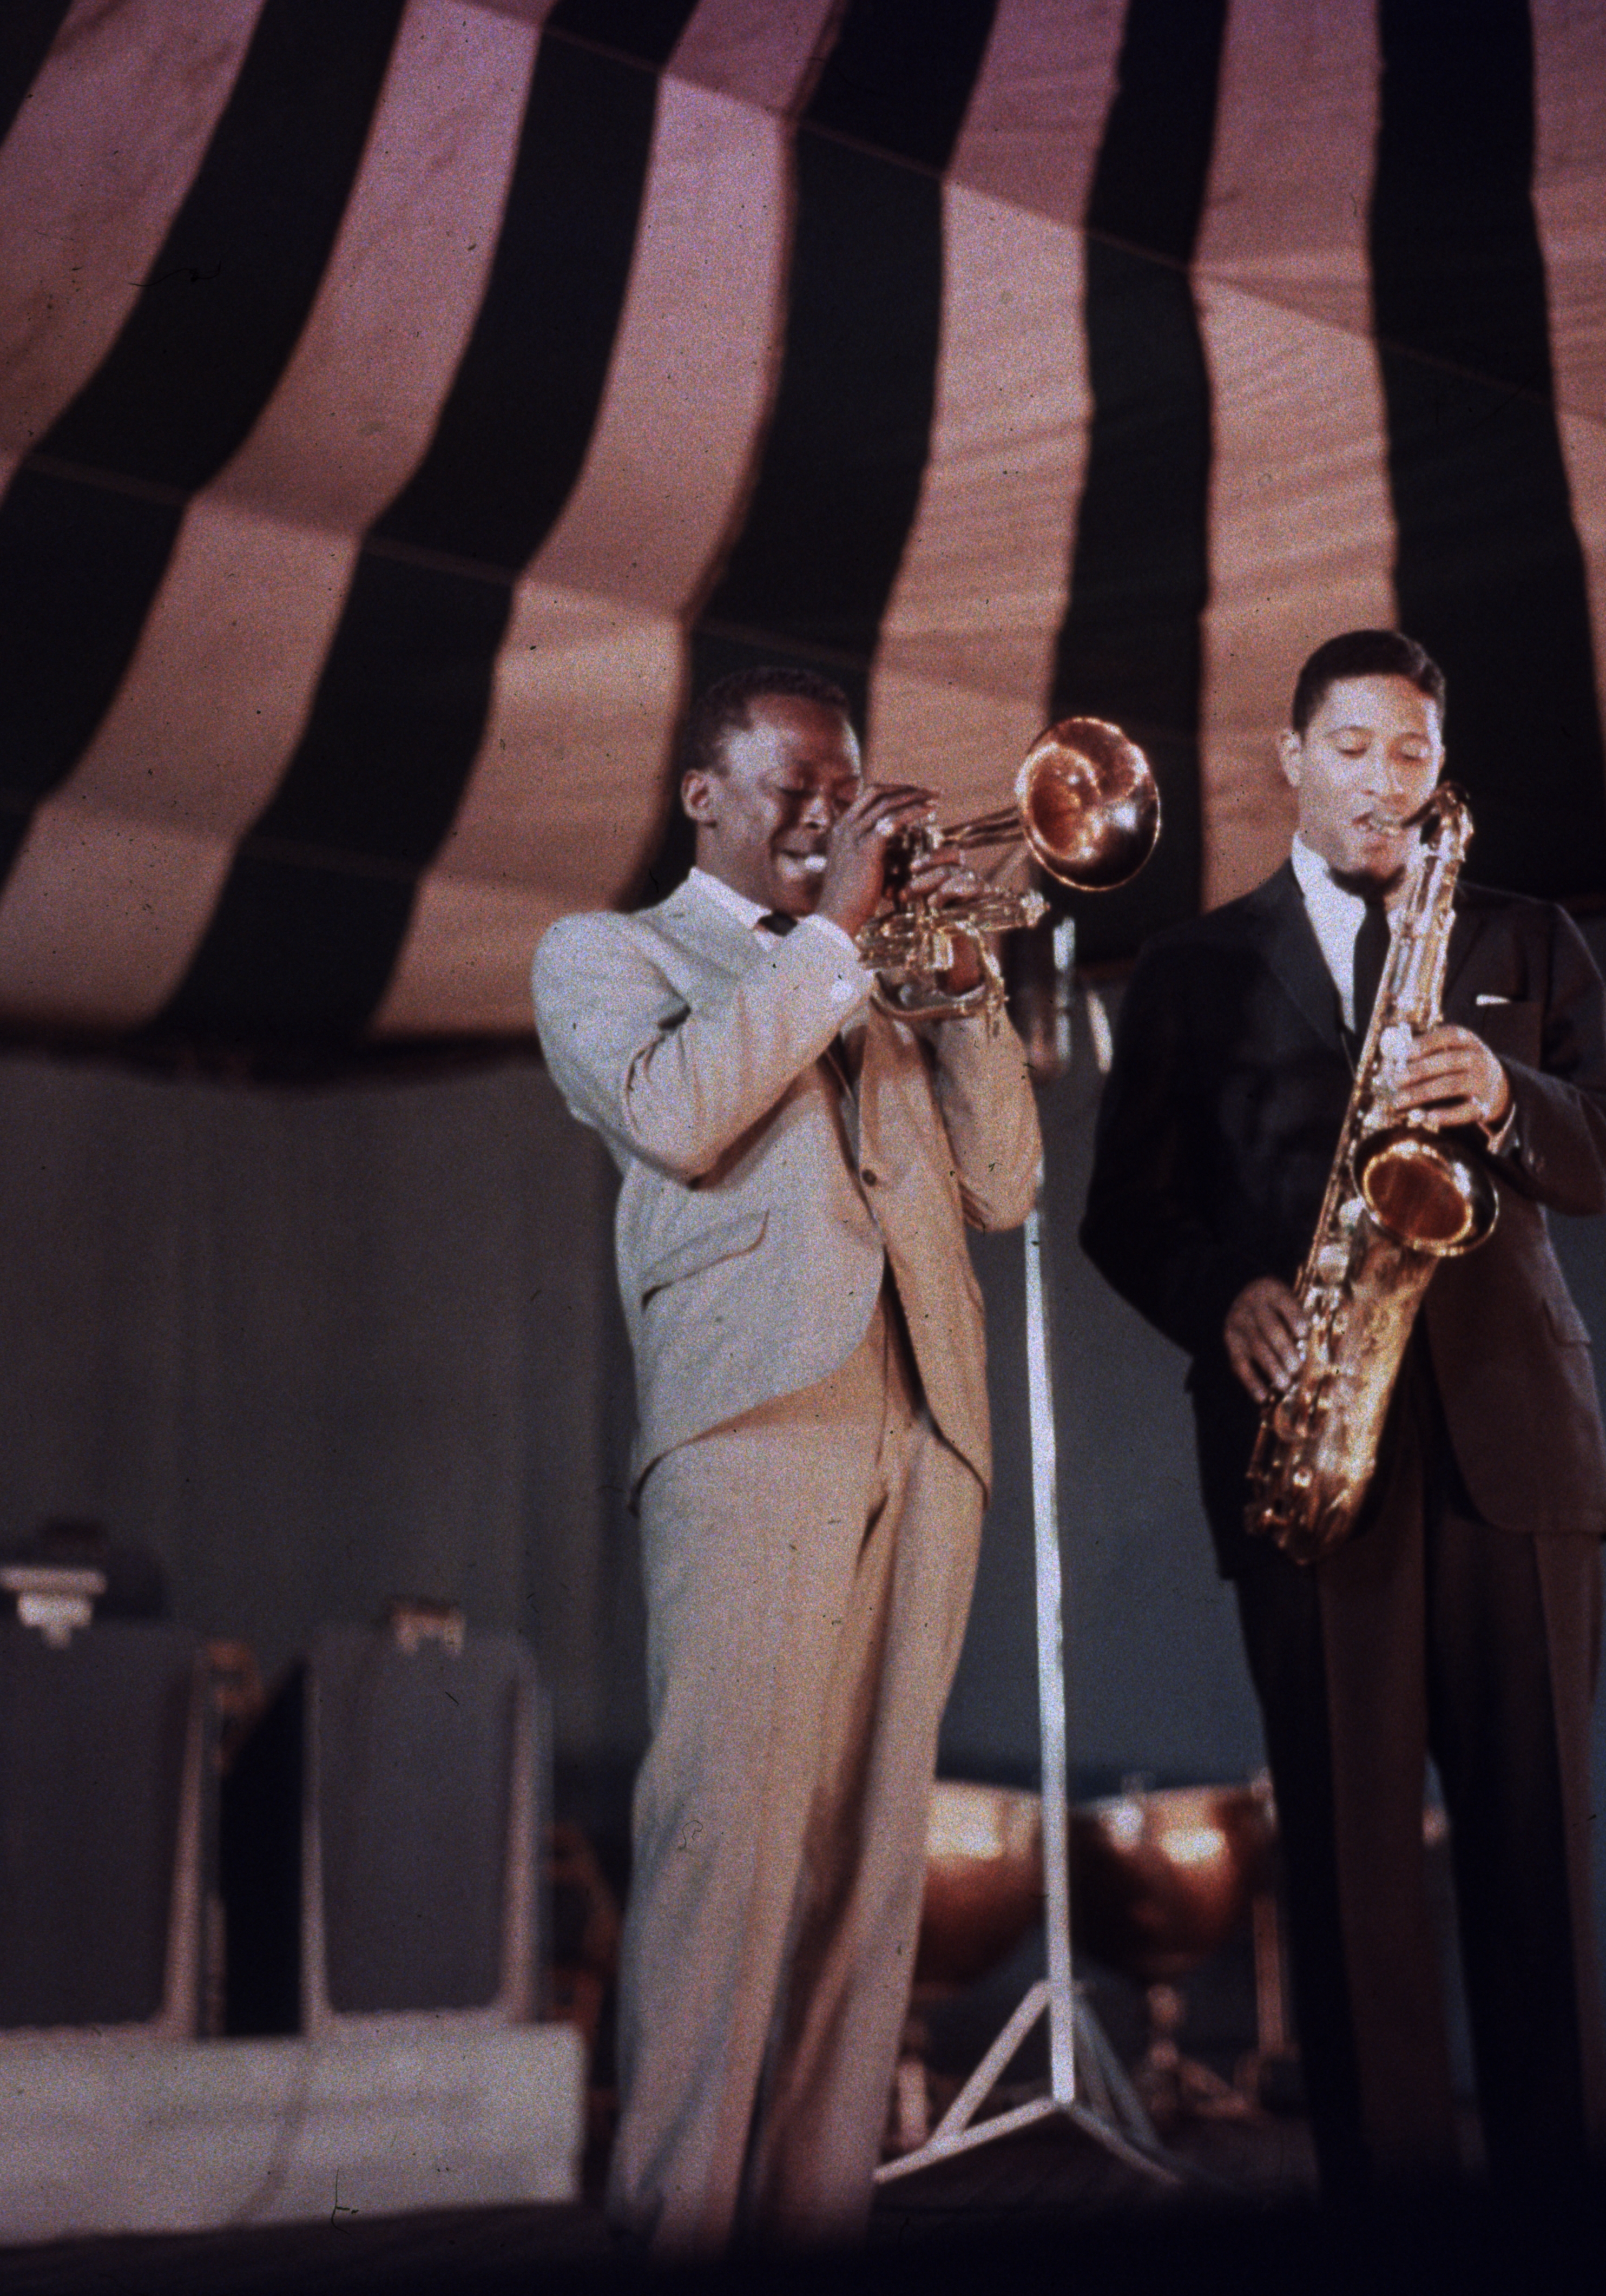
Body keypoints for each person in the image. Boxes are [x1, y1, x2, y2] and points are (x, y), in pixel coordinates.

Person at [1080, 629, 1606, 2200]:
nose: (1382, 780)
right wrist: (1225, 1297)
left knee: (1541, 1867)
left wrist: (1508, 1094)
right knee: (1348, 1880)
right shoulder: (1191, 967)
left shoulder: (1523, 937)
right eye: (1351, 746)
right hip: (1314, 1452)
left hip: (1513, 1455)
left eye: (1410, 754)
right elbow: (1121, 1214)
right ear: (1288, 754)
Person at [531, 666, 1041, 2251]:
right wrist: (832, 934)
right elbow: (676, 1112)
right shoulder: (606, 952)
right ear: (704, 795)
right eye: (797, 784)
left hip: (925, 1415)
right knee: (723, 1850)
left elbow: (1006, 1183)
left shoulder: (876, 966)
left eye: (849, 785)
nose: (832, 809)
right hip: (755, 1423)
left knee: (870, 1870)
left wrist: (955, 986)